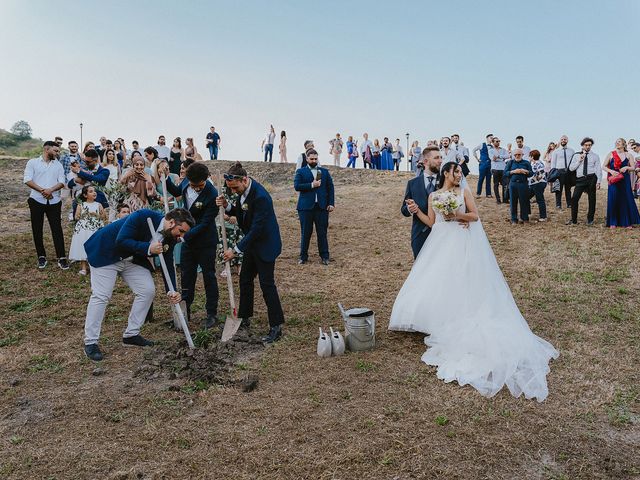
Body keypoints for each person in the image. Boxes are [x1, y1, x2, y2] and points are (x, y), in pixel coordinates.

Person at [389, 161, 558, 401]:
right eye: (455, 171)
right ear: (446, 173)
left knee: (461, 278)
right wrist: (418, 211)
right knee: (437, 280)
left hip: (460, 239)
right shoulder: (435, 195)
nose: (459, 175)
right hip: (439, 242)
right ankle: (432, 318)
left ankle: (457, 317)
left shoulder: (463, 192)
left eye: (460, 172)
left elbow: (475, 215)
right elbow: (432, 222)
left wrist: (456, 214)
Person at [82, 208, 194, 361]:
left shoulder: (170, 237)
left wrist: (172, 291)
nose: (181, 237)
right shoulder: (142, 216)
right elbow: (121, 240)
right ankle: (91, 342)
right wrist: (148, 248)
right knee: (101, 296)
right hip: (106, 253)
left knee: (147, 291)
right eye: (180, 231)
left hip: (131, 259)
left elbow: (167, 263)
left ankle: (131, 334)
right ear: (172, 222)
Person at [216, 162, 285, 343]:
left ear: (244, 180)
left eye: (235, 188)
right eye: (230, 189)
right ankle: (245, 317)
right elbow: (242, 212)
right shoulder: (244, 191)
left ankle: (276, 326)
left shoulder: (261, 197)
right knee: (245, 279)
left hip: (265, 246)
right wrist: (227, 206)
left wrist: (235, 250)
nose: (233, 192)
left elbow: (256, 229)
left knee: (267, 284)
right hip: (253, 245)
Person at [163, 161, 221, 329]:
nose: (195, 188)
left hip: (205, 241)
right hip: (187, 242)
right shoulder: (187, 182)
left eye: (199, 185)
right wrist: (166, 177)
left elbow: (205, 223)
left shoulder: (212, 194)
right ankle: (185, 311)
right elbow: (175, 191)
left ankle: (211, 313)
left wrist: (185, 236)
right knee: (187, 276)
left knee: (209, 276)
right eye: (193, 184)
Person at [24, 141, 69, 270]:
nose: (57, 153)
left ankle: (61, 257)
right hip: (36, 200)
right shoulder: (32, 162)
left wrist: (51, 190)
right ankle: (41, 256)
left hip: (54, 201)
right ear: (46, 149)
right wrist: (43, 190)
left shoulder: (58, 165)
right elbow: (27, 179)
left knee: (57, 229)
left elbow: (62, 181)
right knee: (37, 229)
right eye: (55, 151)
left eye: (58, 151)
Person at [294, 148, 335, 265]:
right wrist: (312, 185)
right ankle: (303, 257)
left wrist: (331, 203)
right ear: (306, 159)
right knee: (305, 233)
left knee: (322, 233)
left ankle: (325, 256)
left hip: (322, 207)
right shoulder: (300, 172)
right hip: (305, 208)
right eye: (311, 159)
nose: (314, 161)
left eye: (316, 159)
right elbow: (297, 186)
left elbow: (330, 188)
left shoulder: (324, 172)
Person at [401, 146, 442, 258]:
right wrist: (410, 208)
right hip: (419, 235)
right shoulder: (412, 183)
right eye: (437, 158)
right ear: (425, 161)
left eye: (441, 157)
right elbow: (403, 210)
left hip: (442, 236)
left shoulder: (445, 182)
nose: (440, 161)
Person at [602, 138, 640, 229]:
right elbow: (603, 166)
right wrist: (611, 171)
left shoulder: (629, 155)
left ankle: (626, 222)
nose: (617, 143)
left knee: (625, 199)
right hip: (614, 179)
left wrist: (626, 167)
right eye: (616, 142)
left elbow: (633, 167)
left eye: (619, 141)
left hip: (625, 180)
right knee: (613, 199)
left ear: (624, 144)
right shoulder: (611, 154)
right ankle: (613, 222)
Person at [69, 185, 106, 275]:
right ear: (85, 195)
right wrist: (86, 214)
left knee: (96, 245)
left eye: (94, 191)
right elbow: (76, 217)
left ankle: (96, 266)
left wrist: (96, 215)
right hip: (83, 228)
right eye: (91, 191)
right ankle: (84, 268)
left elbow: (104, 217)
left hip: (95, 227)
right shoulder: (81, 205)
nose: (94, 192)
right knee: (83, 244)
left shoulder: (98, 205)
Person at [565, 137, 602, 226]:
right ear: (582, 145)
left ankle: (590, 219)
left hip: (591, 178)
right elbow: (571, 168)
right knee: (574, 199)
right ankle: (574, 220)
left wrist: (599, 181)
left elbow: (598, 169)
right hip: (580, 179)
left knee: (592, 199)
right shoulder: (576, 155)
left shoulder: (595, 156)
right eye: (586, 145)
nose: (588, 147)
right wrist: (579, 160)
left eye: (589, 145)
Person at [216, 185, 244, 277]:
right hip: (225, 224)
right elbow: (218, 206)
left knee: (240, 243)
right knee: (226, 244)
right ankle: (226, 267)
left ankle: (240, 266)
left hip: (239, 223)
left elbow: (244, 208)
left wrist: (236, 217)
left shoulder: (241, 192)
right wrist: (225, 216)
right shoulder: (222, 192)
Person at [504, 148, 533, 224]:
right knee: (513, 202)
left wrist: (526, 171)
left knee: (524, 201)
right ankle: (514, 219)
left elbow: (531, 173)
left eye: (519, 154)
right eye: (515, 155)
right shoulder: (510, 162)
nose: (517, 156)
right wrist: (513, 171)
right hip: (513, 184)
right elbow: (505, 173)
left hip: (523, 184)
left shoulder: (526, 163)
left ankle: (524, 218)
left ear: (522, 155)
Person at [550, 135, 575, 209]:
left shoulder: (572, 150)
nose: (563, 140)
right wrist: (553, 174)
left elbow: (573, 161)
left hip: (568, 171)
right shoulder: (556, 151)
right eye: (562, 139)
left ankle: (569, 204)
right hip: (558, 172)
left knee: (568, 189)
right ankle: (558, 204)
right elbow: (553, 163)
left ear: (567, 140)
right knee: (558, 189)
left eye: (565, 139)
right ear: (560, 141)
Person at [528, 150, 548, 222]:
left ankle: (543, 217)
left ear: (532, 156)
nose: (529, 158)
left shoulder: (538, 163)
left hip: (538, 184)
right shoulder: (533, 163)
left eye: (529, 156)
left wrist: (536, 178)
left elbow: (541, 173)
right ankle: (527, 213)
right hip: (533, 184)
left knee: (540, 200)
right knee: (526, 197)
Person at [488, 137, 510, 203]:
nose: (498, 142)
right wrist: (502, 158)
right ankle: (498, 199)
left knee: (505, 184)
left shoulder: (503, 149)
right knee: (496, 184)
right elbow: (492, 158)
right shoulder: (490, 150)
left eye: (499, 141)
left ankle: (505, 199)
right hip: (495, 169)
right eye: (496, 141)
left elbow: (508, 156)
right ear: (493, 142)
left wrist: (498, 156)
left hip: (503, 169)